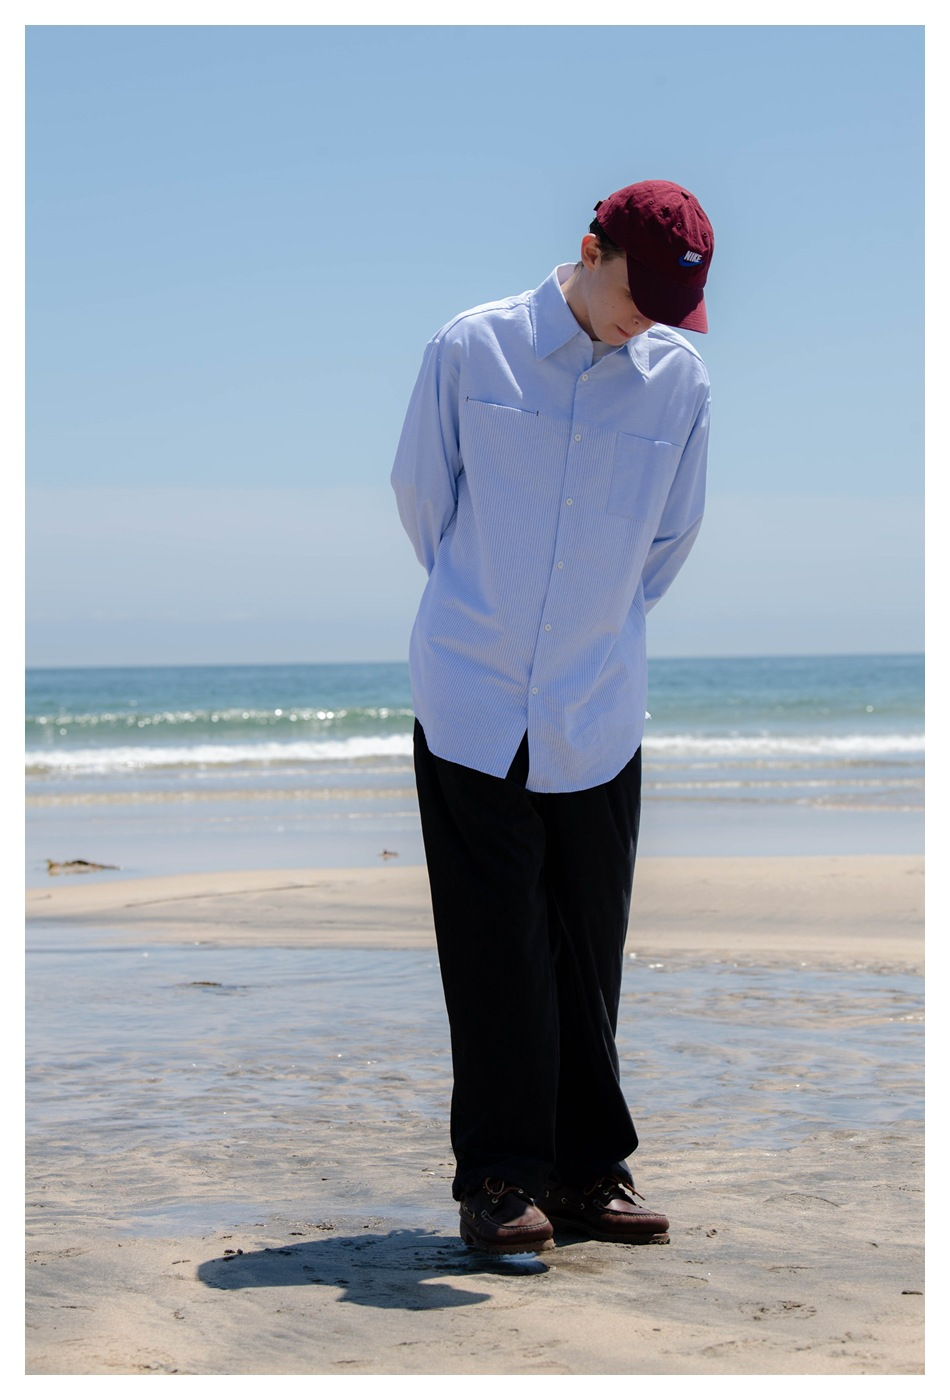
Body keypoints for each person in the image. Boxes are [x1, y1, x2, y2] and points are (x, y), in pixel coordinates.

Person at [391, 180, 714, 1255]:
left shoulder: (678, 383)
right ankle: (498, 1178)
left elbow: (667, 543)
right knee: (494, 948)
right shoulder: (470, 349)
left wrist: (584, 629)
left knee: (587, 949)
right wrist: (494, 610)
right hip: (472, 692)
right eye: (637, 296)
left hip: (595, 702)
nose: (647, 323)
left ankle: (585, 1176)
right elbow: (422, 500)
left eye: (671, 309)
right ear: (588, 249)